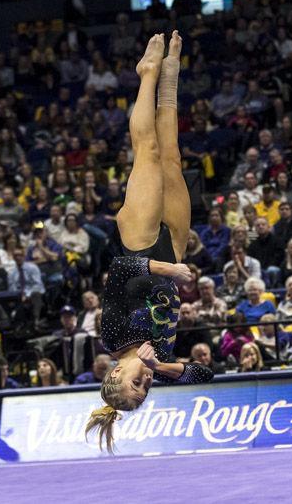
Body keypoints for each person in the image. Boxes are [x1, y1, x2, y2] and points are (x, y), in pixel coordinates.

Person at [85, 33, 213, 454]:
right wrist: (164, 366)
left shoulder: (113, 335)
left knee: (149, 151)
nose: (146, 381)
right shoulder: (155, 357)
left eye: (136, 383)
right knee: (173, 156)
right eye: (146, 388)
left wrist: (170, 271)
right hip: (171, 247)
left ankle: (147, 74)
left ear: (115, 372)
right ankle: (171, 75)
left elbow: (119, 271)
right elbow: (204, 375)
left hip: (139, 243)